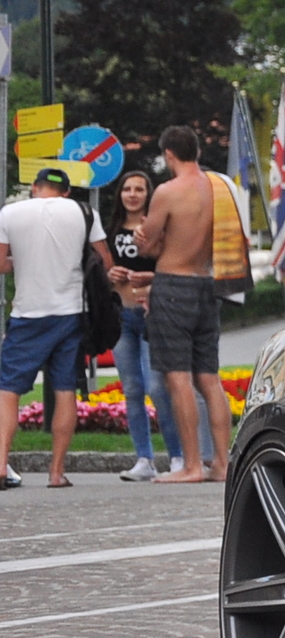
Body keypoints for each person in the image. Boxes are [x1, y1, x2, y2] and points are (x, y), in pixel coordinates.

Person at [0, 167, 112, 490]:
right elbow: (103, 260)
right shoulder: (83, 211)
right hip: (70, 314)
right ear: (66, 192)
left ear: (35, 188)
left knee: (8, 391)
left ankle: (1, 463)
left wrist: (22, 261)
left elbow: (1, 263)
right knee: (65, 390)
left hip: (27, 315)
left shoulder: (10, 212)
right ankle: (56, 472)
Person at [136, 125, 231, 484]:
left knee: (178, 379)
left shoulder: (168, 191)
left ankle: (192, 465)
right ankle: (222, 462)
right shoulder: (219, 189)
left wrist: (141, 237)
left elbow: (147, 243)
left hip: (173, 284)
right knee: (209, 378)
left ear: (169, 155)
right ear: (198, 153)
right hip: (206, 284)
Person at [102, 170, 185, 481]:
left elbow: (172, 267)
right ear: (120, 194)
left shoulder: (156, 228)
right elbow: (101, 267)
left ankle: (177, 456)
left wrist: (149, 279)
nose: (133, 194)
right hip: (121, 317)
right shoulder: (111, 231)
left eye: (139, 189)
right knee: (133, 390)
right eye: (127, 189)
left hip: (153, 317)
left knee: (157, 388)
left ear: (148, 195)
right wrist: (110, 277)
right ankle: (143, 459)